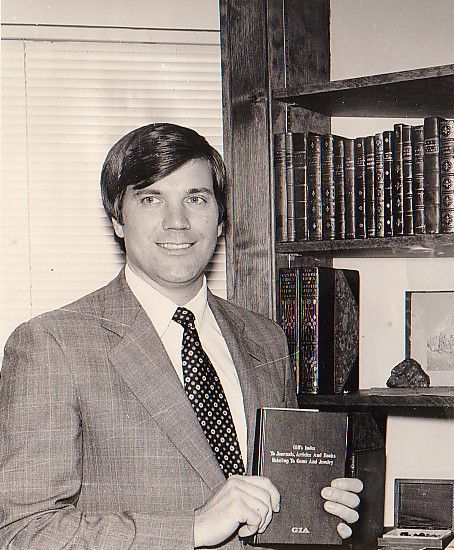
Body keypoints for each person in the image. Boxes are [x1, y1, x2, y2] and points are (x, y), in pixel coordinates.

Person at [0, 123, 363, 549]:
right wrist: (192, 528)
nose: (177, 222)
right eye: (151, 199)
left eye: (196, 198)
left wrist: (317, 510)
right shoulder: (51, 344)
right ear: (117, 219)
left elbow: (275, 505)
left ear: (221, 218)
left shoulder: (265, 338)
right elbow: (23, 532)